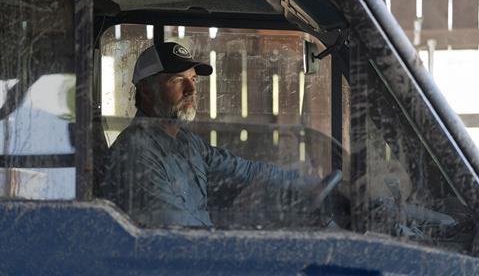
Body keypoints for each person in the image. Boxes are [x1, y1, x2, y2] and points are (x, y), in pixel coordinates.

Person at [102, 42, 331, 228]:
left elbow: (245, 171)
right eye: (177, 80)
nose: (191, 90)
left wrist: (309, 184)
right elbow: (177, 231)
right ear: (146, 90)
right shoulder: (136, 154)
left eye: (193, 79)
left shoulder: (186, 142)